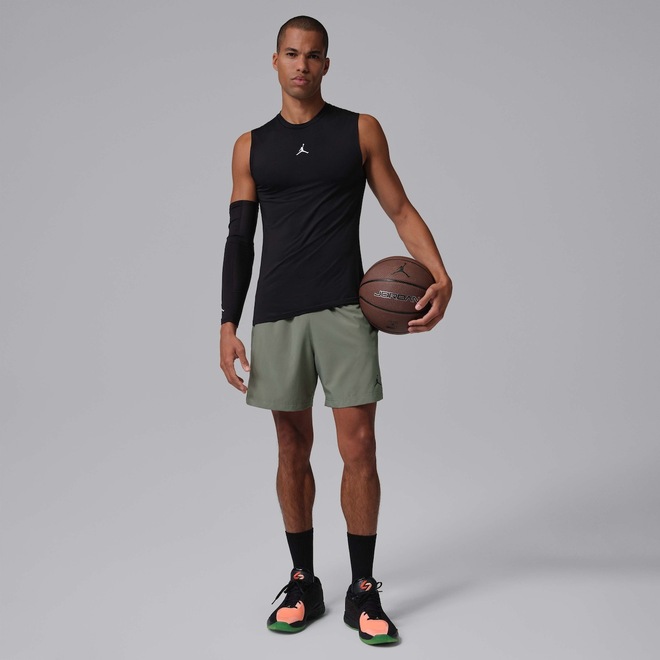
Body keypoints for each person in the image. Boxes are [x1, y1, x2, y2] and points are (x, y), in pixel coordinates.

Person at [219, 16, 452, 646]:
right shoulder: (250, 146)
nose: (302, 64)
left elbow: (399, 209)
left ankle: (362, 589)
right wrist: (227, 321)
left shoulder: (359, 130)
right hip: (276, 314)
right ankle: (304, 580)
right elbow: (240, 239)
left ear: (326, 64)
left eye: (314, 55)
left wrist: (440, 275)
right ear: (274, 61)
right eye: (292, 53)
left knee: (360, 447)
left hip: (346, 310)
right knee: (291, 447)